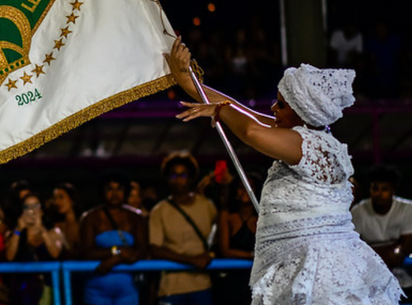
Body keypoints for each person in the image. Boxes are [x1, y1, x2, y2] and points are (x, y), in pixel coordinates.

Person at [166, 36, 402, 304]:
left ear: (302, 112)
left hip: (321, 273)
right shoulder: (305, 134)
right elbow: (246, 113)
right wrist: (189, 83)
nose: (273, 108)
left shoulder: (308, 143)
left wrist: (218, 111)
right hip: (300, 262)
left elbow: (251, 130)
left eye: (281, 104)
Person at [149, 151, 216, 305]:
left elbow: (217, 236)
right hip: (171, 287)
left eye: (183, 175)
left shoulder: (206, 205)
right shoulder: (159, 211)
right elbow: (155, 249)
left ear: (191, 178)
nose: (178, 180)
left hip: (202, 285)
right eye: (173, 175)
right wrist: (191, 260)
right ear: (167, 178)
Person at [80, 172, 148, 305]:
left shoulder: (136, 218)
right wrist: (117, 251)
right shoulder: (90, 218)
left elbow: (142, 250)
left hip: (129, 290)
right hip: (96, 290)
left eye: (119, 188)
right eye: (109, 189)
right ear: (102, 191)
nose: (115, 194)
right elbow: (86, 252)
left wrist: (116, 259)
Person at [351, 165, 412, 296]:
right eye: (375, 188)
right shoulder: (358, 211)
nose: (379, 193)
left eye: (384, 189)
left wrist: (373, 252)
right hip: (368, 266)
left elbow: (405, 248)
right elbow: (354, 249)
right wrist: (390, 252)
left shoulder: (406, 209)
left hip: (398, 267)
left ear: (393, 191)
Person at [5, 193, 64, 305]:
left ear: (42, 210)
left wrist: (42, 230)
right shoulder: (14, 232)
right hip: (22, 291)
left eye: (35, 206)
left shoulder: (53, 231)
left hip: (48, 291)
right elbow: (9, 256)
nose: (31, 211)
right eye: (27, 207)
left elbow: (55, 253)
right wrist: (18, 229)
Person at [215, 171, 262, 305]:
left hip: (257, 276)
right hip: (232, 277)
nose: (245, 190)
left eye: (249, 186)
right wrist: (252, 255)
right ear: (235, 191)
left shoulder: (261, 216)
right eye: (241, 187)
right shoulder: (227, 216)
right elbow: (225, 250)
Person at [50, 182, 80, 258]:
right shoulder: (55, 226)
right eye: (55, 198)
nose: (57, 202)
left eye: (61, 197)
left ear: (72, 199)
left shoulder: (83, 223)